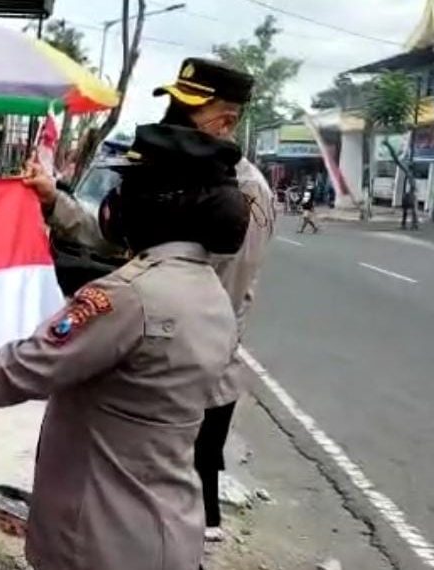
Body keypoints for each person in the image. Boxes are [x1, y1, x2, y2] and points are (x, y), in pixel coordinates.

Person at [0, 123, 251, 570]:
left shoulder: (128, 296)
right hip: (168, 527)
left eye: (129, 187)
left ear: (161, 203)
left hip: (101, 539)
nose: (115, 201)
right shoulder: (209, 293)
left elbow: (17, 370)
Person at [151, 58, 276, 541]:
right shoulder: (186, 177)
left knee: (184, 515)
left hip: (192, 370)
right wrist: (57, 204)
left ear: (225, 121)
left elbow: (215, 297)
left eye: (187, 113)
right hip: (163, 362)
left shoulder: (243, 192)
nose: (173, 124)